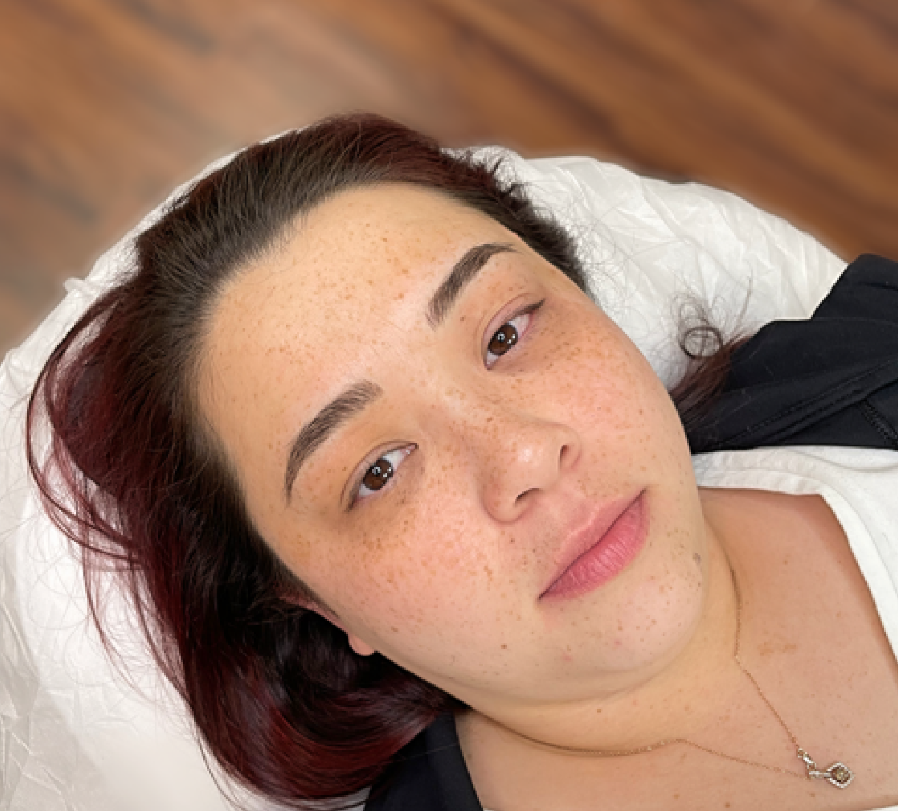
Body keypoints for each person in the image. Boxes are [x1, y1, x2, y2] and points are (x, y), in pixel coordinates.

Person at [26, 113, 898, 811]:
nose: (522, 455)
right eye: (379, 470)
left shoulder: (873, 345)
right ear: (315, 601)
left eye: (505, 332)